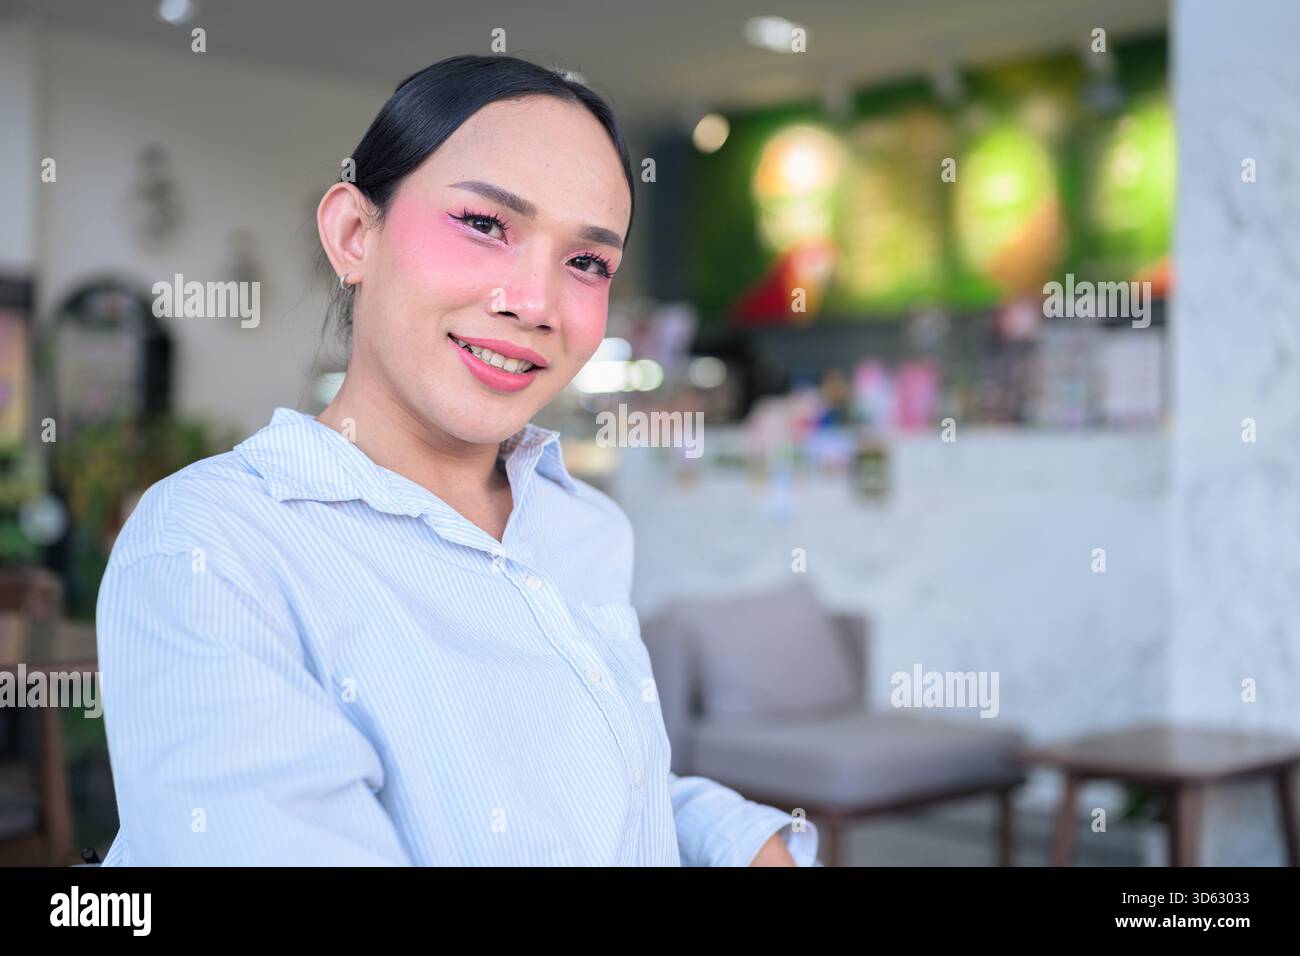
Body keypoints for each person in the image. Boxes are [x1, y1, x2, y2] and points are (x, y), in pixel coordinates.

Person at [96, 54, 818, 866]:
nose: (535, 303)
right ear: (353, 235)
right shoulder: (216, 546)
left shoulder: (581, 525)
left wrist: (736, 839)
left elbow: (579, 786)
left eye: (587, 262)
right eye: (484, 224)